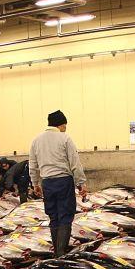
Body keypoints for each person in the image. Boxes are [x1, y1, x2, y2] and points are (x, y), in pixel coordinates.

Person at [30, 110, 86, 257]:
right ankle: (61, 252)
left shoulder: (36, 140)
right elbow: (75, 163)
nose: (65, 129)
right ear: (61, 125)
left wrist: (35, 184)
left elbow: (33, 165)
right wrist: (81, 183)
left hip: (47, 182)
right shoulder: (65, 138)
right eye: (65, 126)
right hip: (63, 181)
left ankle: (56, 251)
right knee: (65, 215)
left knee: (53, 216)